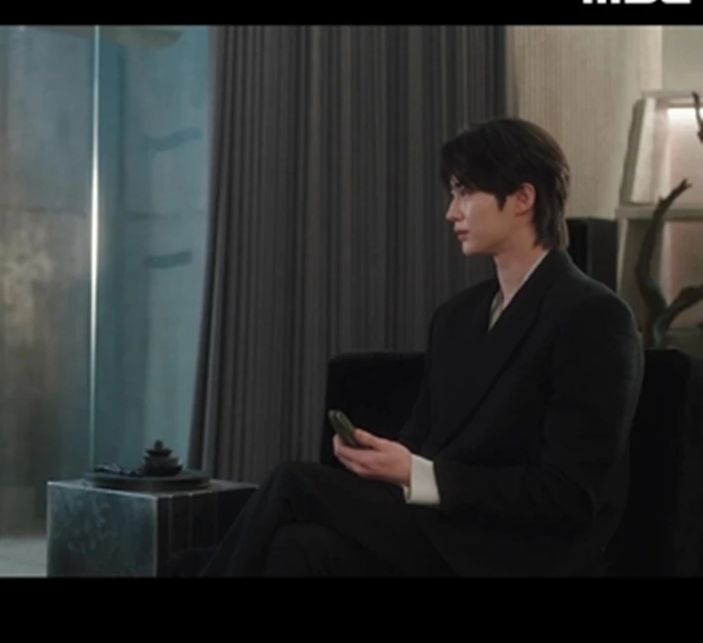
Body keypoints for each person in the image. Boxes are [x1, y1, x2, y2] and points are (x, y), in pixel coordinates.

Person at [200, 117, 644, 577]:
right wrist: (381, 457)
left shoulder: (593, 317)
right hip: (442, 527)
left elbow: (568, 496)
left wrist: (416, 473)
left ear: (523, 198)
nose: (452, 212)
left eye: (465, 192)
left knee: (293, 482)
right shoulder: (457, 317)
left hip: (516, 549)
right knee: (298, 545)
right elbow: (423, 441)